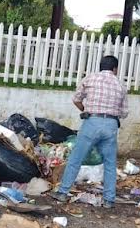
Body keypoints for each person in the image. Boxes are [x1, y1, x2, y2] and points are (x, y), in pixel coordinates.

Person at [52, 55, 128, 208]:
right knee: (110, 163)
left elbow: (76, 99)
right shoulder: (120, 85)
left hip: (91, 122)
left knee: (76, 158)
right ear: (115, 69)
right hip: (111, 125)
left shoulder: (90, 79)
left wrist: (85, 109)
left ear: (100, 66)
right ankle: (109, 200)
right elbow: (124, 112)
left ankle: (62, 192)